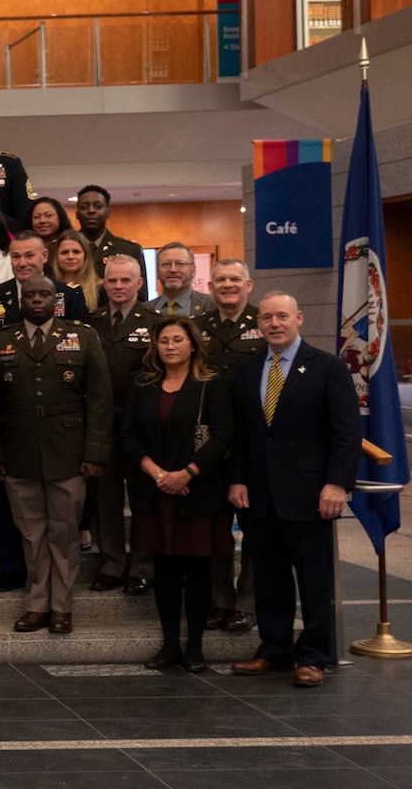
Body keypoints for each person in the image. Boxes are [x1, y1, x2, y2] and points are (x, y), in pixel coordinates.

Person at [227, 292, 360, 688]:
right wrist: (236, 479)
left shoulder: (328, 367)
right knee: (269, 579)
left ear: (298, 318)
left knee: (314, 581)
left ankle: (313, 655)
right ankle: (274, 650)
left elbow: (346, 433)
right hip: (259, 495)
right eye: (266, 317)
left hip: (310, 493)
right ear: (259, 324)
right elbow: (240, 435)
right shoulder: (248, 371)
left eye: (282, 316)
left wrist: (337, 483)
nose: (274, 323)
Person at [0, 275, 111, 635]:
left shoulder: (83, 337)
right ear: (19, 301)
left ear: (56, 300)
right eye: (30, 295)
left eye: (44, 294)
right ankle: (37, 605)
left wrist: (95, 452)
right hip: (19, 452)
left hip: (69, 453)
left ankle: (62, 607)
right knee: (31, 535)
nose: (37, 300)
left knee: (64, 533)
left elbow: (100, 401)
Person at [121, 317, 234, 673]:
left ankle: (196, 647)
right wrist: (158, 474)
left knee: (199, 570)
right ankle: (170, 645)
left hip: (197, 490)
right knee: (165, 570)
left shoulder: (210, 384)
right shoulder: (142, 384)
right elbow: (127, 434)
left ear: (193, 344)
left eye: (177, 340)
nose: (170, 346)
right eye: (163, 340)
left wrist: (187, 473)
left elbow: (223, 436)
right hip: (155, 491)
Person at [196, 258, 265, 633]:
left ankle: (247, 603)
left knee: (253, 527)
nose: (227, 285)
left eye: (234, 279)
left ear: (248, 284)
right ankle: (219, 601)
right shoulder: (197, 327)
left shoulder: (263, 322)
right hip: (210, 441)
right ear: (210, 287)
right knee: (214, 529)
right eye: (220, 280)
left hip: (253, 439)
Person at [90, 254, 161, 595]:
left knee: (143, 498)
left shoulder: (156, 321)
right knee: (106, 499)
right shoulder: (92, 322)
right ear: (104, 284)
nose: (118, 286)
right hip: (103, 425)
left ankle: (143, 566)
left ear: (139, 283)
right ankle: (112, 563)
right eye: (112, 280)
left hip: (143, 427)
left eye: (124, 280)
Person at [73, 184, 145, 277]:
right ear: (77, 214)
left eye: (98, 206)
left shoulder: (129, 250)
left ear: (107, 213)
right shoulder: (61, 249)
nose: (91, 210)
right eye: (84, 207)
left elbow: (140, 290)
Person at [150, 242, 217, 317]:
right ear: (157, 272)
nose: (173, 269)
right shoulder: (145, 309)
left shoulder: (213, 305)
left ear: (193, 271)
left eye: (180, 264)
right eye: (166, 264)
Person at [53, 229, 101, 314]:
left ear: (86, 256)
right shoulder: (48, 288)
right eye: (64, 252)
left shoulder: (100, 289)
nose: (70, 257)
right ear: (56, 257)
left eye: (76, 252)